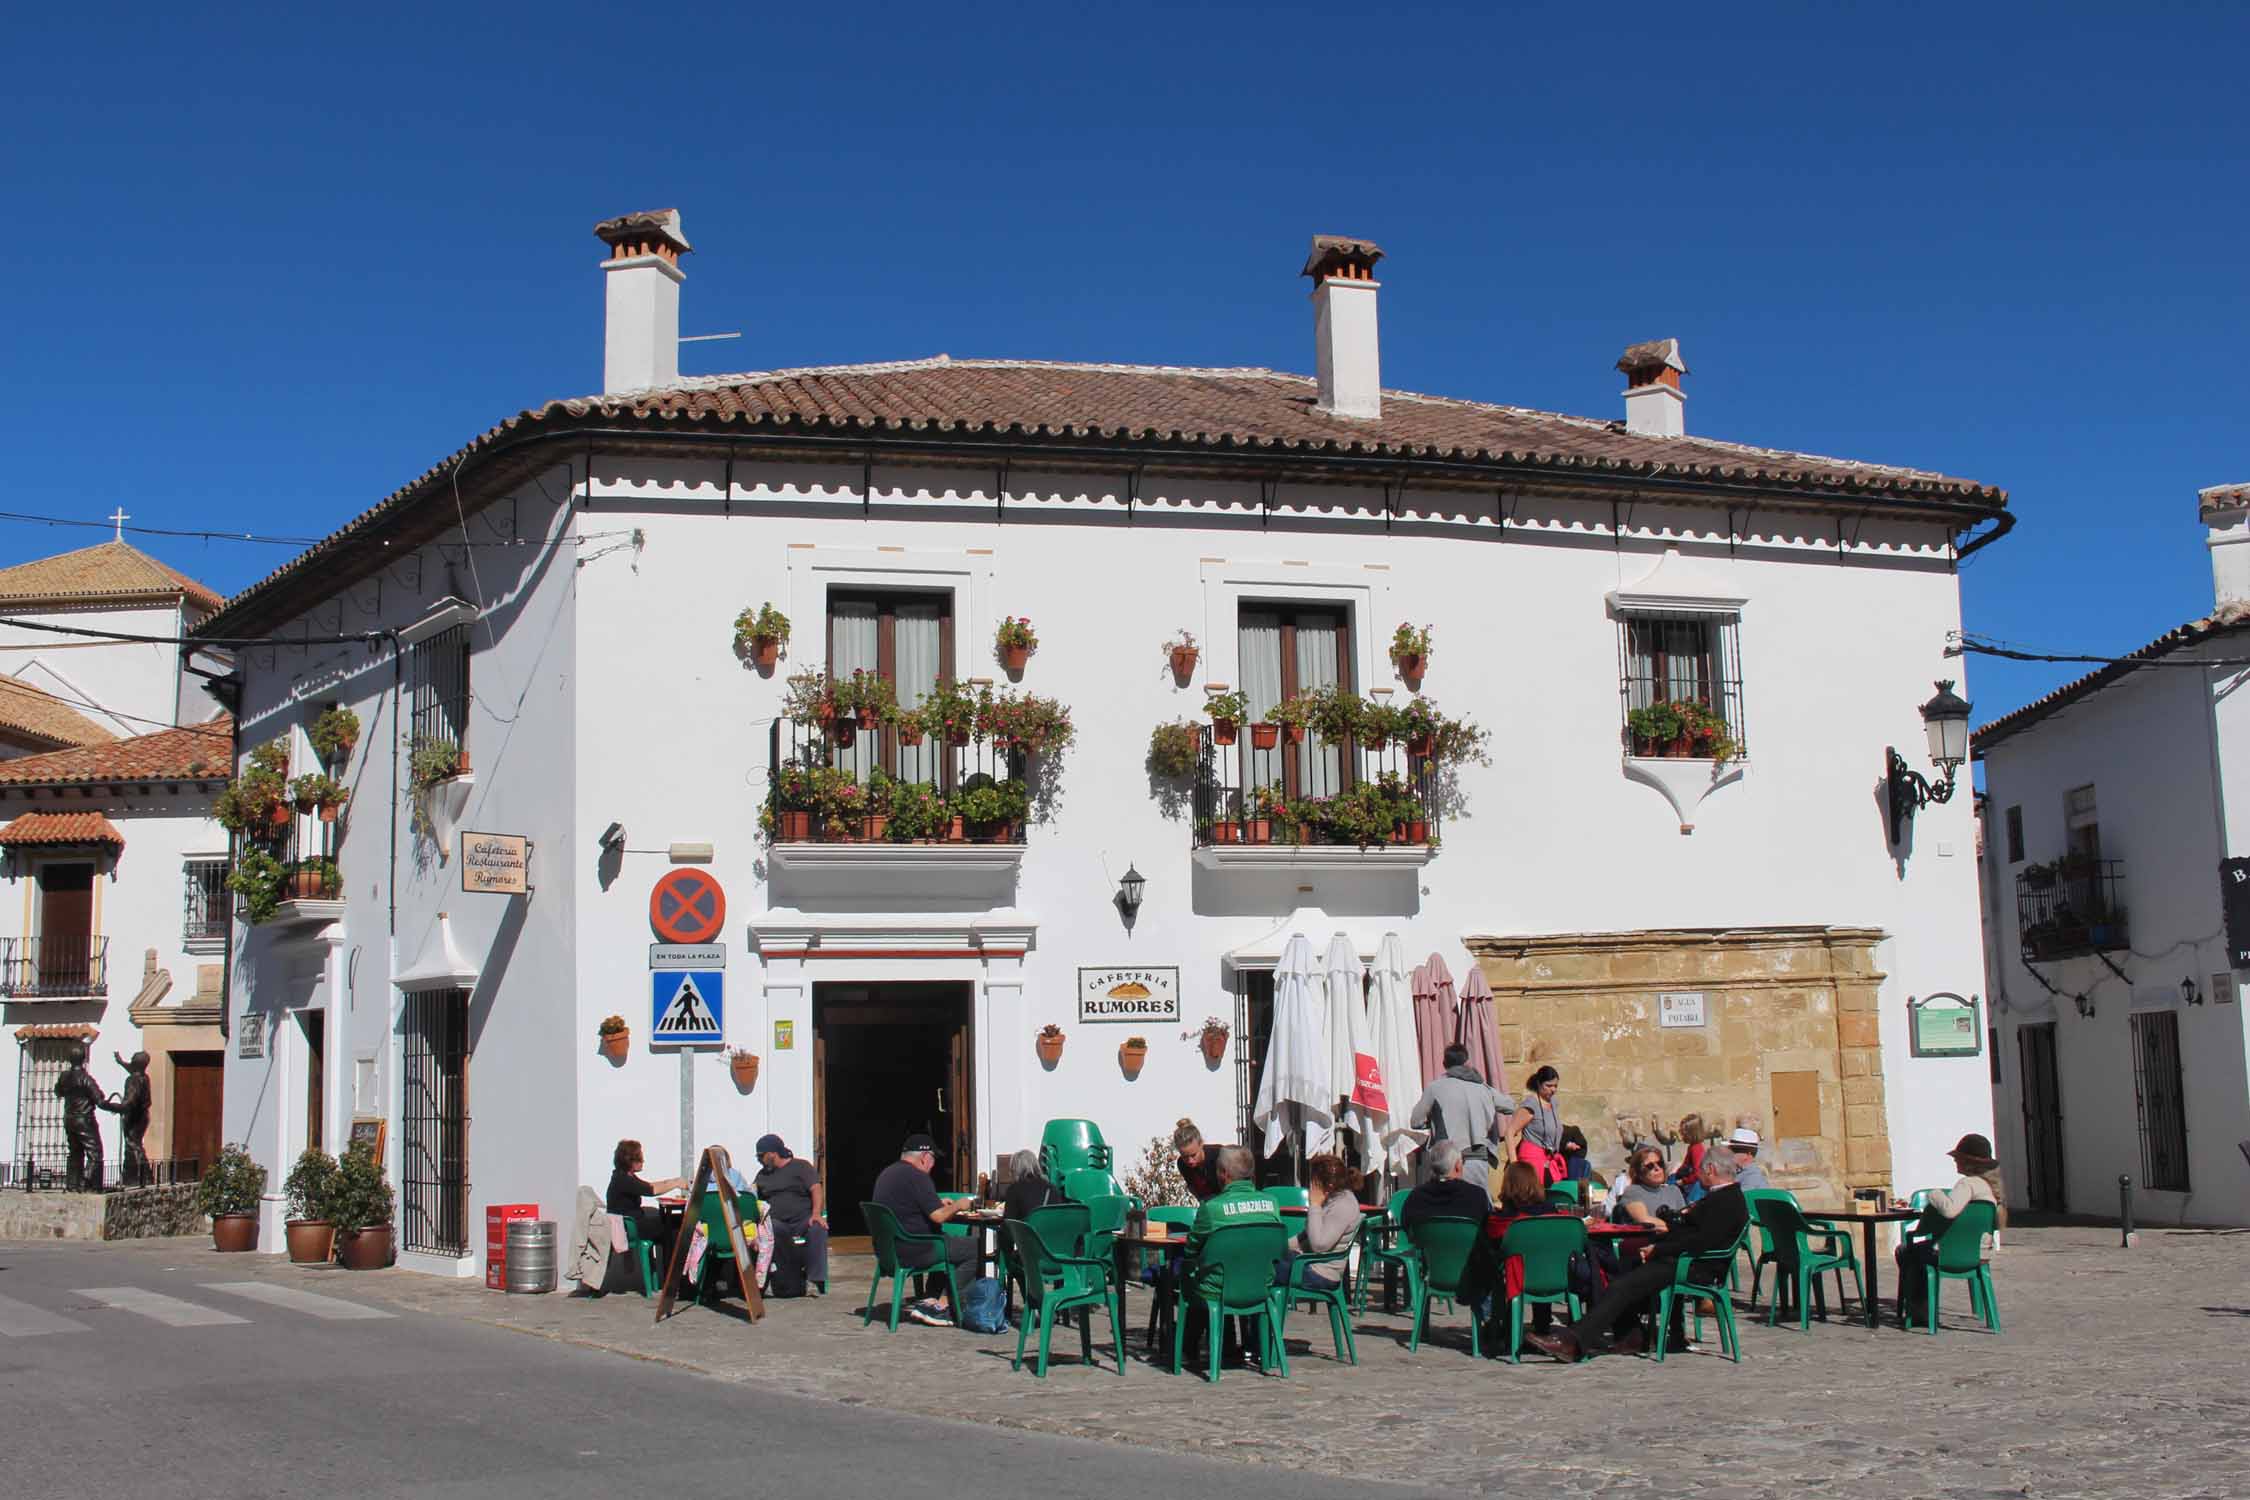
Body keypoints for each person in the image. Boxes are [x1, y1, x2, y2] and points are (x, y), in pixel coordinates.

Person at [1530, 1148, 1748, 1362]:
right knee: (1624, 1270)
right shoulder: (1725, 1197)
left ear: (1710, 1169)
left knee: (1623, 1285)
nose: (1698, 1174)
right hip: (1687, 1260)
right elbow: (1690, 1233)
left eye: (1700, 1170)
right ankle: (1630, 1334)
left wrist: (1658, 1249)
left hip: (1693, 1266)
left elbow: (1698, 1240)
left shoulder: (1724, 1201)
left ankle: (1574, 1340)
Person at [1181, 1145, 1281, 1367]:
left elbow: (1191, 1249)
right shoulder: (1272, 1204)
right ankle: (1250, 1347)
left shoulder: (1211, 1208)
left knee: (1191, 1274)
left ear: (1223, 1174)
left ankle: (1189, 1347)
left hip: (1220, 1287)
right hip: (1260, 1285)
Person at [1897, 1133, 2007, 1324]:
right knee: (1918, 1252)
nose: (1955, 1162)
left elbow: (1950, 1211)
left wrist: (1935, 1194)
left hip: (1951, 1255)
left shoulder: (1968, 1184)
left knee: (1907, 1252)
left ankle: (1919, 1308)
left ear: (1968, 1161)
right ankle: (1921, 1307)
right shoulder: (1990, 1189)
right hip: (1979, 1255)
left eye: (1957, 1158)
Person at [872, 1133, 973, 1326]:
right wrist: (959, 1205)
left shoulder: (887, 1174)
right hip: (916, 1249)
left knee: (947, 1241)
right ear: (925, 1157)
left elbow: (911, 1205)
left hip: (890, 1252)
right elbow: (938, 1216)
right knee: (979, 1249)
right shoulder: (917, 1177)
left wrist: (939, 1203)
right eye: (933, 1159)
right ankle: (942, 1307)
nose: (933, 1165)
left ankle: (930, 1298)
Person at [1483, 1160, 1568, 1339]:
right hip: (1553, 1275)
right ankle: (1542, 1325)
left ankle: (1500, 1324)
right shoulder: (1552, 1213)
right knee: (1539, 1259)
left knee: (1500, 1264)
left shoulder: (1502, 1219)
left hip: (1517, 1277)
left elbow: (1492, 1245)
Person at [1409, 1044, 1510, 1192]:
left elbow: (1415, 1121)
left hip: (1448, 1161)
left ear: (1444, 1064)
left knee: (1448, 1206)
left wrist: (1434, 1121)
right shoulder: (1483, 1088)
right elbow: (1510, 1106)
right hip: (1477, 1160)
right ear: (1466, 1062)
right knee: (1478, 1207)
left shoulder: (1435, 1087)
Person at [753, 1134, 829, 1294]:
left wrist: (816, 1214)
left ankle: (815, 1279)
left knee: (818, 1228)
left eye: (761, 1156)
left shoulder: (801, 1167)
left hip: (802, 1220)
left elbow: (816, 1189)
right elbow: (754, 1196)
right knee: (770, 1229)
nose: (759, 1159)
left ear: (772, 1153)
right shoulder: (762, 1175)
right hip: (778, 1222)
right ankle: (779, 1279)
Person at [1276, 1154, 1362, 1291]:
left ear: (1329, 1185)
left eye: (1314, 1181)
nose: (1310, 1185)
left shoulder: (1344, 1204)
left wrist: (1315, 1205)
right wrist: (1275, 1247)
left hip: (1321, 1274)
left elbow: (1319, 1244)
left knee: (1263, 1271)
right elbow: (1304, 1237)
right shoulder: (1331, 1200)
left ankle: (1254, 1311)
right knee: (1263, 1259)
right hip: (1309, 1264)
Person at [606, 1139, 688, 1269]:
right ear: (630, 1160)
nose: (643, 1161)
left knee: (672, 1222)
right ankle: (672, 1273)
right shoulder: (623, 1179)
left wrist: (673, 1181)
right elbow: (651, 1190)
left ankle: (671, 1271)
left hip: (634, 1222)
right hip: (631, 1227)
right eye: (639, 1158)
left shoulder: (624, 1176)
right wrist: (675, 1184)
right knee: (674, 1224)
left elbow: (648, 1185)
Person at [1402, 1141, 1491, 1226]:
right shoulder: (1477, 1196)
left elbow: (1406, 1227)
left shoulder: (1416, 1197)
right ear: (1458, 1166)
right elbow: (1486, 1230)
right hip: (1463, 1242)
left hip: (1430, 1242)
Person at [55, 1045, 105, 1192]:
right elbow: (99, 1098)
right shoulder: (85, 1079)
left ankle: (72, 1184)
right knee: (95, 1152)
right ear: (83, 1059)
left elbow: (58, 1091)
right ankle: (87, 1182)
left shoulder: (65, 1077)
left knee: (75, 1152)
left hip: (69, 1119)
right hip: (84, 1119)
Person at [1507, 1066, 1567, 1185]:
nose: (1553, 1090)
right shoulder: (1531, 1104)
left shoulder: (1553, 1102)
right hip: (1532, 1161)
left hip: (1549, 1161)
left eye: (1555, 1086)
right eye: (1549, 1086)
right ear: (1539, 1084)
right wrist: (1514, 1166)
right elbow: (1509, 1132)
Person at [102, 1051, 153, 1186]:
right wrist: (121, 1062)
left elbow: (129, 1103)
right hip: (142, 1116)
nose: (130, 1060)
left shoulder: (133, 1080)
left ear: (137, 1063)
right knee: (134, 1144)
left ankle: (137, 1177)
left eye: (132, 1059)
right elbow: (132, 1069)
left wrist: (110, 1106)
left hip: (134, 1117)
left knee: (132, 1145)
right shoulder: (144, 1076)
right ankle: (140, 1176)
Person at [1612, 1144, 1686, 1229]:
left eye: (1660, 1163)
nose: (1657, 1168)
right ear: (1638, 1173)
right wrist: (1674, 1226)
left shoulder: (1673, 1190)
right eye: (1650, 1166)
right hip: (1650, 1240)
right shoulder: (1633, 1191)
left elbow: (1685, 1219)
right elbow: (1645, 1221)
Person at [1001, 1147, 1066, 1221]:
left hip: (1025, 1232)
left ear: (1015, 1169)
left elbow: (1009, 1222)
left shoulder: (1013, 1190)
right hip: (1048, 1231)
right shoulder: (1051, 1189)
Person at [1173, 1119, 1226, 1202]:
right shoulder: (1182, 1164)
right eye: (1185, 1157)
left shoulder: (1220, 1155)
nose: (1190, 1161)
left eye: (1193, 1155)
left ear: (1201, 1144)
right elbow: (1194, 1189)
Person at [1670, 1113, 1709, 1200]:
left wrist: (1683, 1181)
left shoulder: (1696, 1148)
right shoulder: (1692, 1146)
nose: (1682, 1136)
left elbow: (1697, 1172)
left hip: (1691, 1185)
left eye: (1684, 1134)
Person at [1724, 1126, 1771, 1192]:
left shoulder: (1752, 1176)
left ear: (1748, 1155)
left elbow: (1737, 1199)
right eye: (1729, 1148)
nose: (1729, 1152)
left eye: (1735, 1150)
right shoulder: (1738, 1172)